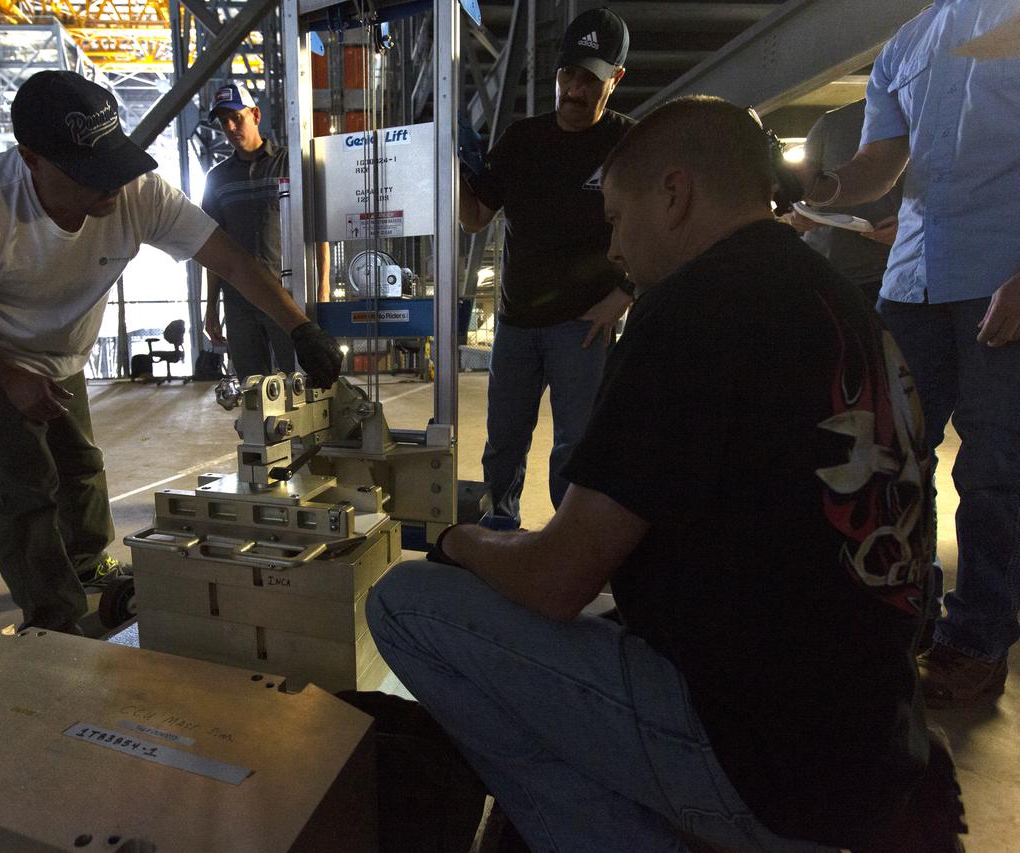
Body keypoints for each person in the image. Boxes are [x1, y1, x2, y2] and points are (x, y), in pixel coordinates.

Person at [368, 97, 950, 851]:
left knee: (405, 603)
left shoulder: (695, 308)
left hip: (768, 767)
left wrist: (463, 539)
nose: (612, 248)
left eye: (615, 218)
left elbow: (556, 578)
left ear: (674, 194)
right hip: (872, 746)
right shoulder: (839, 301)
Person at [0, 71, 342, 634]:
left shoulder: (134, 193)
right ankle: (51, 614)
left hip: (65, 350)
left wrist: (300, 328)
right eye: (89, 174)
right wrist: (8, 376)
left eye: (114, 163)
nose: (109, 186)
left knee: (79, 462)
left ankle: (85, 565)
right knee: (24, 483)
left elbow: (229, 259)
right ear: (32, 159)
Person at [799, 0, 1020, 708]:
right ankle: (903, 612)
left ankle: (976, 640)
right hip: (913, 275)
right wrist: (829, 188)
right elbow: (881, 159)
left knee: (993, 470)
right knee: (890, 459)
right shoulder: (907, 43)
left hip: (1001, 273)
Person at [460, 8, 636, 529]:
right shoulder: (522, 140)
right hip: (515, 326)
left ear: (615, 79)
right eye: (568, 74)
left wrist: (623, 294)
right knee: (504, 443)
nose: (575, 90)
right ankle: (500, 531)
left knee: (575, 450)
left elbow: (660, 232)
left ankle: (570, 544)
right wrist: (449, 167)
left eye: (590, 80)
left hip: (582, 328)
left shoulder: (629, 146)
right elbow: (474, 220)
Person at [201, 81, 330, 380]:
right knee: (252, 388)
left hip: (288, 298)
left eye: (237, 117)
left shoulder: (292, 165)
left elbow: (318, 234)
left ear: (256, 115)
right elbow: (212, 250)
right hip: (239, 304)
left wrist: (321, 293)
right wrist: (211, 310)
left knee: (300, 381)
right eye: (224, 122)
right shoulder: (217, 180)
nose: (231, 127)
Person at [786, 99, 902, 303]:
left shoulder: (918, 117)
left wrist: (911, 228)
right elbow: (797, 192)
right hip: (828, 269)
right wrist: (797, 214)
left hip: (892, 271)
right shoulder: (830, 123)